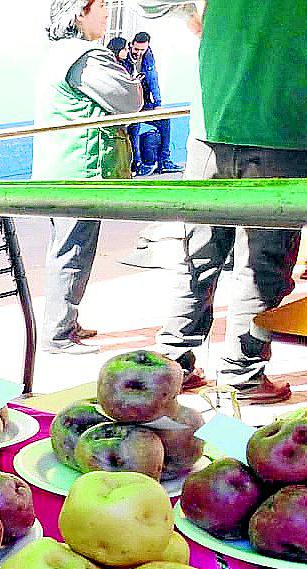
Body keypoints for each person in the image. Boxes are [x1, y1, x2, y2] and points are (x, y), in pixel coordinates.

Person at [145, 0, 307, 402]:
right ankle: (241, 373)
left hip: (210, 124)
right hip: (282, 128)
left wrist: (190, 17)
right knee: (263, 263)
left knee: (197, 252)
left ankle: (172, 364)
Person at [32, 0, 144, 354]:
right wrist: (132, 82)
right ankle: (58, 333)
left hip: (61, 166)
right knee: (73, 250)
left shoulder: (59, 53)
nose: (109, 13)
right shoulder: (87, 57)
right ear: (80, 11)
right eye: (103, 6)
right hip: (80, 170)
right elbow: (129, 99)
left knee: (68, 247)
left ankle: (66, 320)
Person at [127, 32, 184, 175]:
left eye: (142, 50)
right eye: (136, 49)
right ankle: (137, 164)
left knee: (164, 120)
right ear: (131, 44)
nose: (139, 53)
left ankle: (164, 161)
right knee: (135, 126)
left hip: (144, 102)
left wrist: (158, 104)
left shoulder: (148, 57)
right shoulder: (124, 57)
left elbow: (153, 79)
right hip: (129, 105)